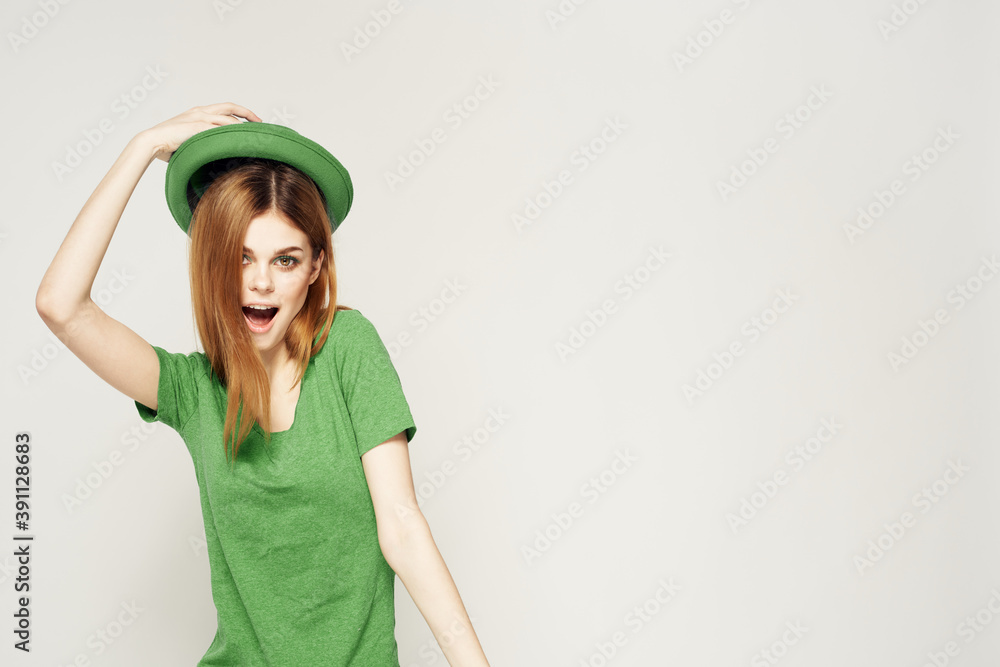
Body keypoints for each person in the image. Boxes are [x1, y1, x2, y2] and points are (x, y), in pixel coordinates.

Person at [35, 102, 490, 666]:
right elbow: (60, 306)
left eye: (286, 260)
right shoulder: (190, 390)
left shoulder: (348, 347)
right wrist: (143, 146)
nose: (259, 283)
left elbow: (401, 525)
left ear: (316, 268)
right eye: (241, 256)